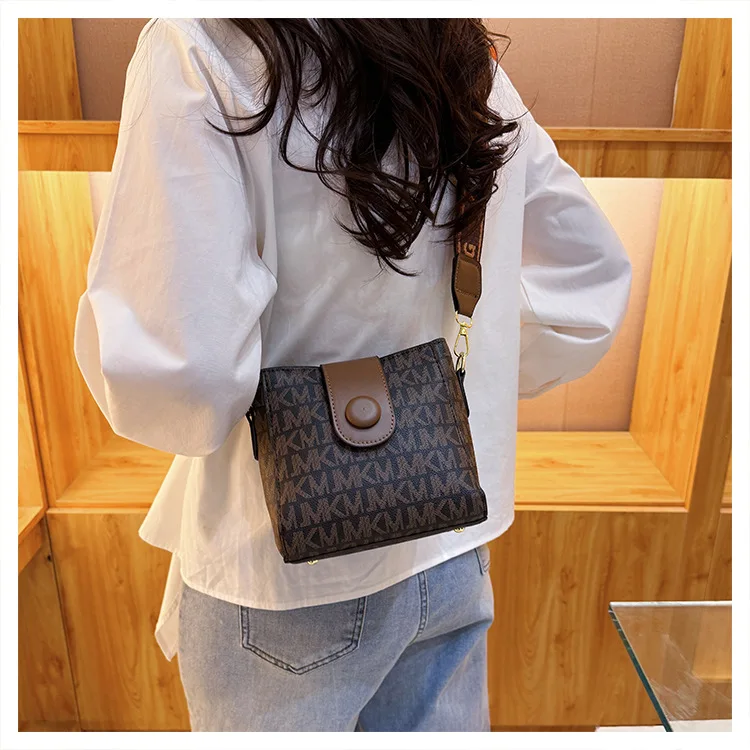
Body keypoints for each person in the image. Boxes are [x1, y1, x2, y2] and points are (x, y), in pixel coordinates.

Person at [74, 18, 632, 732]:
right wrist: (451, 376)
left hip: (281, 570)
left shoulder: (201, 46)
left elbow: (183, 377)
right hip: (448, 543)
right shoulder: (457, 51)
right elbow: (586, 284)